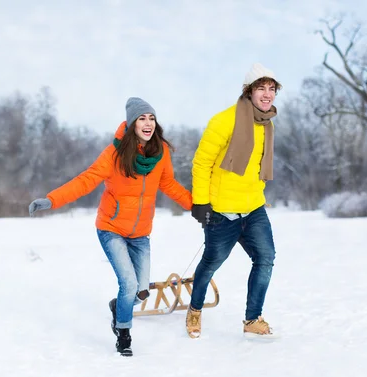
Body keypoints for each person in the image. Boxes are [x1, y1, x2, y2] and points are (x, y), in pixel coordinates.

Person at [29, 97, 192, 356]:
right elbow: (86, 180)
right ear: (131, 124)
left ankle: (119, 307)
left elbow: (169, 184)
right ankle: (123, 333)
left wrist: (195, 206)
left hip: (140, 234)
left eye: (151, 118)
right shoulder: (114, 154)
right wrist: (51, 200)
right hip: (111, 228)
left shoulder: (160, 154)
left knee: (140, 292)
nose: (148, 123)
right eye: (142, 119)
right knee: (128, 283)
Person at [186, 63, 281, 339]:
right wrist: (201, 203)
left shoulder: (267, 124)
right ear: (248, 91)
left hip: (253, 208)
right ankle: (194, 310)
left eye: (271, 89)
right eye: (261, 88)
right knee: (211, 262)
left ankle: (252, 319)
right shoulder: (223, 121)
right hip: (222, 211)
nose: (267, 94)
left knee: (266, 258)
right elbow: (201, 163)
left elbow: (257, 167)